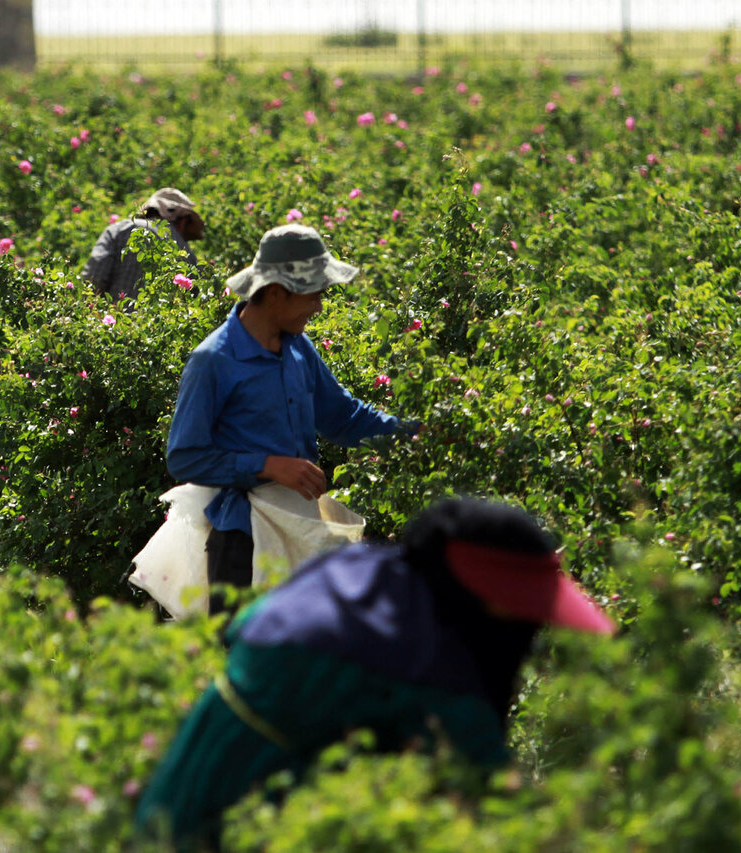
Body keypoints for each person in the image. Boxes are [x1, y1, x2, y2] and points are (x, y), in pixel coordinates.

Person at [133, 498, 617, 847]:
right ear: (485, 600)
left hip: (175, 795)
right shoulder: (433, 666)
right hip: (253, 824)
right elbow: (496, 803)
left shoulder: (351, 570)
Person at [165, 223, 413, 612]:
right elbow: (185, 457)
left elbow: (343, 417)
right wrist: (268, 466)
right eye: (313, 295)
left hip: (298, 523)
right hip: (243, 541)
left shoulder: (298, 348)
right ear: (277, 292)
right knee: (246, 657)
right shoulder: (215, 360)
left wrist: (412, 434)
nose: (318, 306)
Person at [80, 187, 204, 300]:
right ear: (184, 221)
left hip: (110, 321)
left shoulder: (119, 229)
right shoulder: (189, 257)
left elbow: (94, 278)